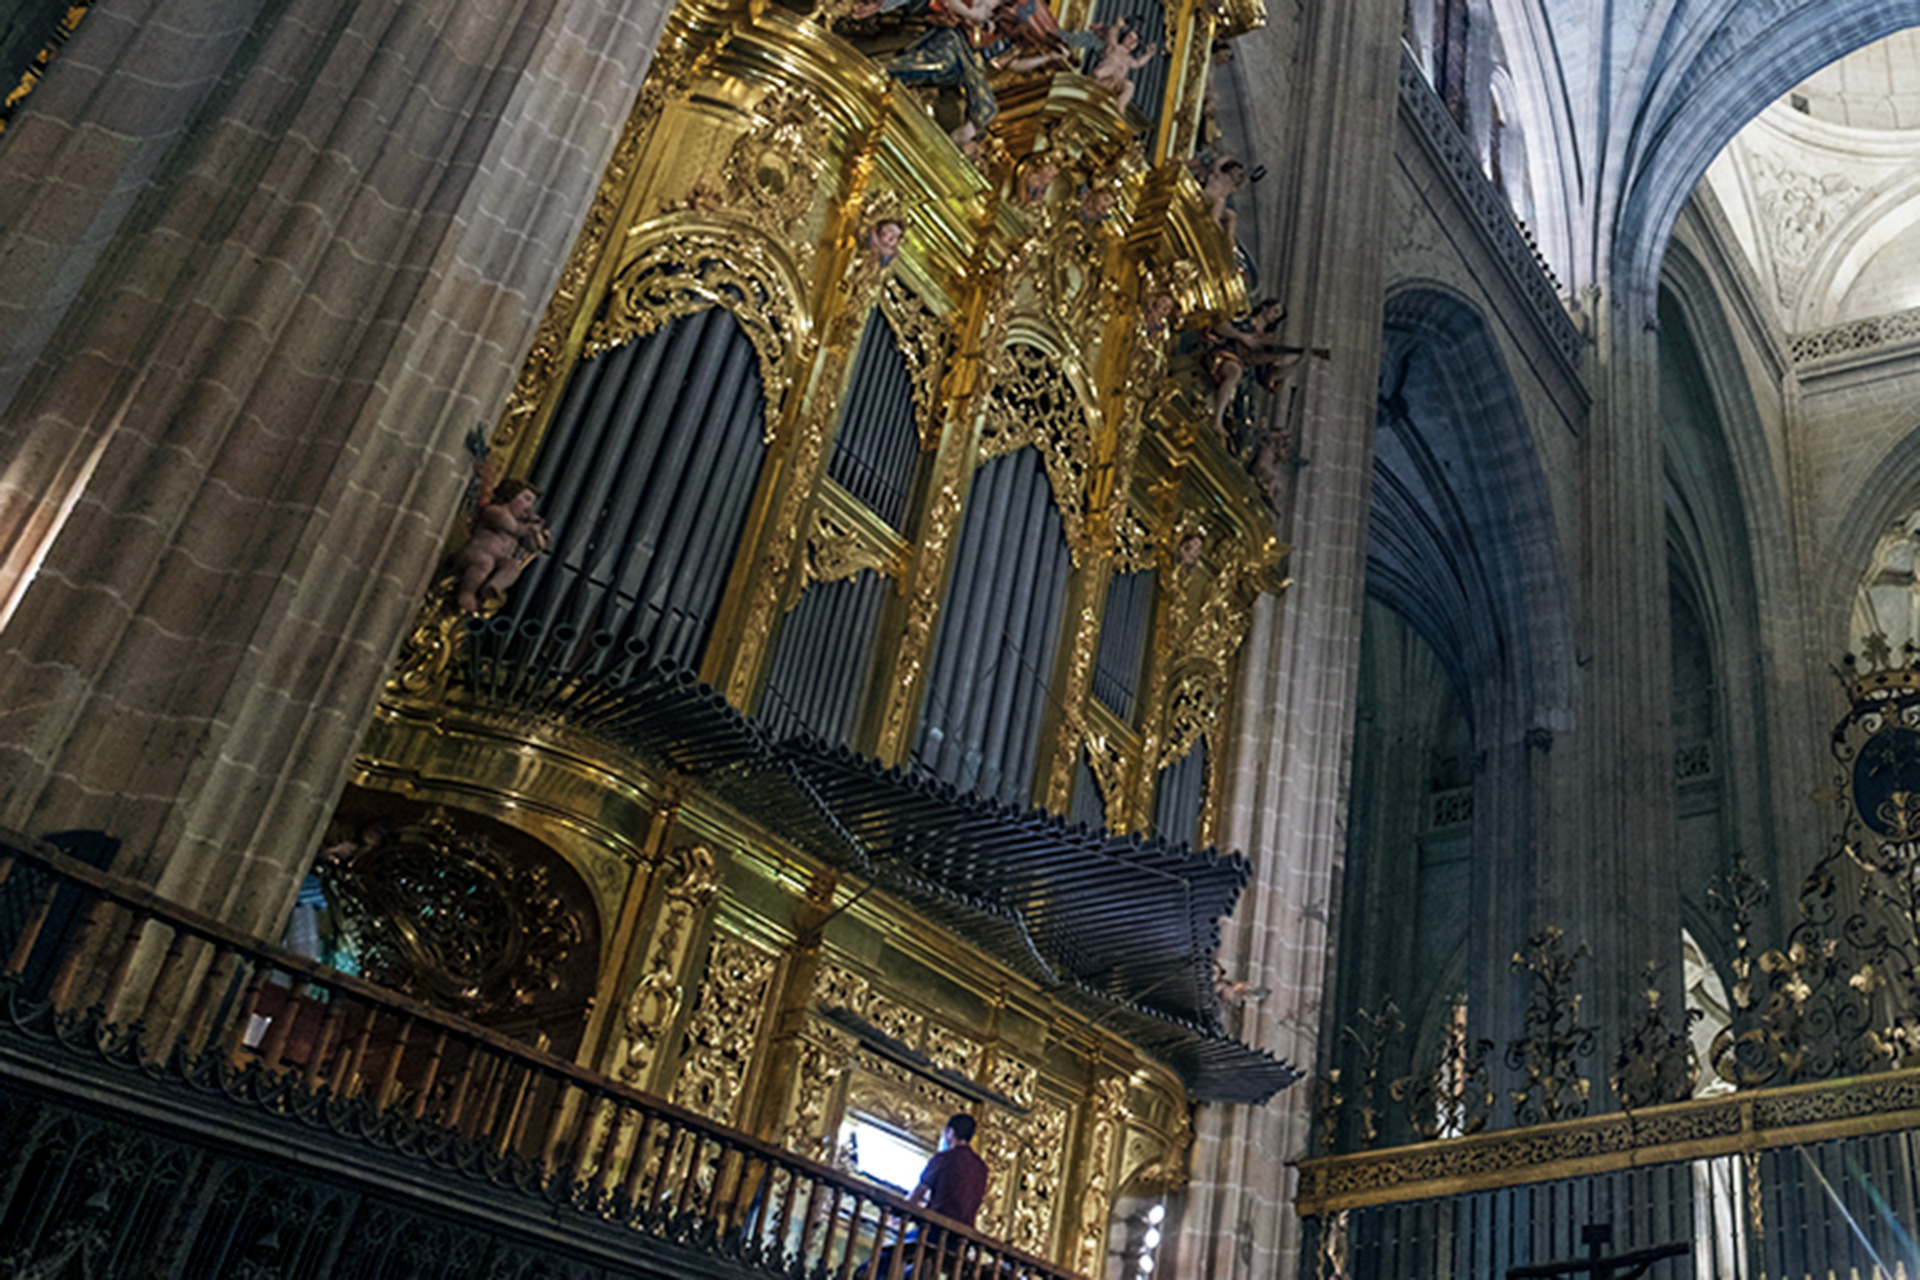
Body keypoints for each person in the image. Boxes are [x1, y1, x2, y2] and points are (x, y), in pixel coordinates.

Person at [858, 1114, 988, 1277]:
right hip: (962, 1242)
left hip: (935, 1231)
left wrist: (897, 1215)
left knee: (882, 1260)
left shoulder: (944, 1158)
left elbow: (917, 1195)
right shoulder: (982, 1168)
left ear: (950, 1132)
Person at [455, 479, 546, 613]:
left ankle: (492, 587)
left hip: (499, 561)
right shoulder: (497, 512)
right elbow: (513, 528)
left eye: (532, 503)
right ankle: (467, 593)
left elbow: (534, 546)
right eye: (526, 499)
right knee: (484, 563)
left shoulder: (521, 524)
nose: (529, 507)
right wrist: (531, 527)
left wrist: (537, 534)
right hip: (478, 553)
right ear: (510, 495)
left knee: (513, 567)